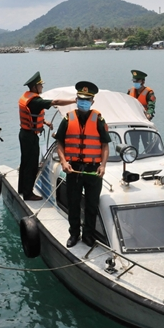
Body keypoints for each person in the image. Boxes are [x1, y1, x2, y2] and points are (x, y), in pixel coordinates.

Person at [55, 81, 111, 248]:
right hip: (73, 170)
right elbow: (60, 143)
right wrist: (64, 162)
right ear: (77, 99)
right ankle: (74, 234)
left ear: (92, 102)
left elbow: (105, 145)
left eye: (87, 100)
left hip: (93, 170)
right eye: (81, 99)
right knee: (73, 203)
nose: (83, 102)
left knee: (91, 205)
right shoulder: (67, 119)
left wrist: (103, 166)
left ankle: (88, 235)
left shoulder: (98, 119)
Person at [18, 71, 75, 200]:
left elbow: (31, 115)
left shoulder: (27, 97)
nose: (42, 87)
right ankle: (28, 194)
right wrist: (73, 100)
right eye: (40, 85)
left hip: (24, 134)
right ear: (34, 87)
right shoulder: (36, 100)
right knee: (31, 165)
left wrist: (44, 122)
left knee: (25, 163)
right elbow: (55, 101)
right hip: (30, 137)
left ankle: (22, 189)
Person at [127, 69, 156, 152]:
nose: (135, 83)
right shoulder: (130, 91)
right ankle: (134, 159)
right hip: (132, 122)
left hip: (144, 122)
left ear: (143, 81)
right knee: (134, 144)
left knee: (147, 144)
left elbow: (151, 106)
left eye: (137, 81)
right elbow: (125, 104)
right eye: (134, 81)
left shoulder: (149, 93)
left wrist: (149, 114)